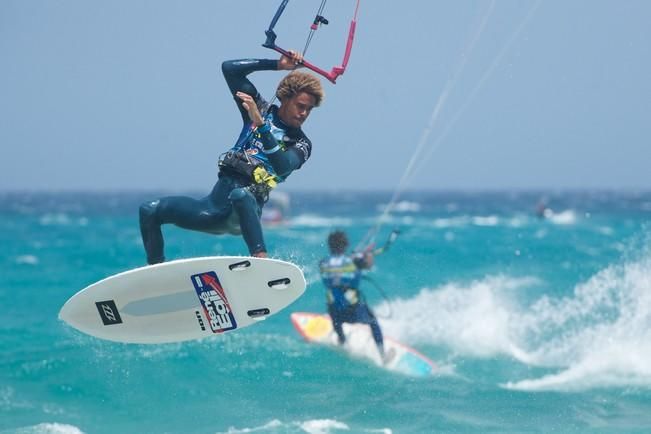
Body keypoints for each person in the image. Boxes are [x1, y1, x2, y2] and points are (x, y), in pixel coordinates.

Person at [139, 52, 324, 264]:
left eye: (309, 109)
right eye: (301, 106)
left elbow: (283, 167)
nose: (304, 113)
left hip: (244, 211)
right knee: (149, 210)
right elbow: (230, 69)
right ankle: (156, 271)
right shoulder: (259, 109)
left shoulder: (301, 142)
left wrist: (262, 126)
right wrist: (278, 65)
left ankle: (261, 262)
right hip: (212, 208)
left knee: (241, 195)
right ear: (285, 98)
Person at [319, 230, 387, 362]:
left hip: (334, 312)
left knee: (334, 307)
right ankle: (383, 355)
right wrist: (366, 257)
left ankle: (342, 340)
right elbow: (368, 264)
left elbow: (336, 272)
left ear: (330, 246)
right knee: (373, 322)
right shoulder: (353, 261)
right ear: (345, 245)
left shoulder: (323, 263)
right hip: (352, 310)